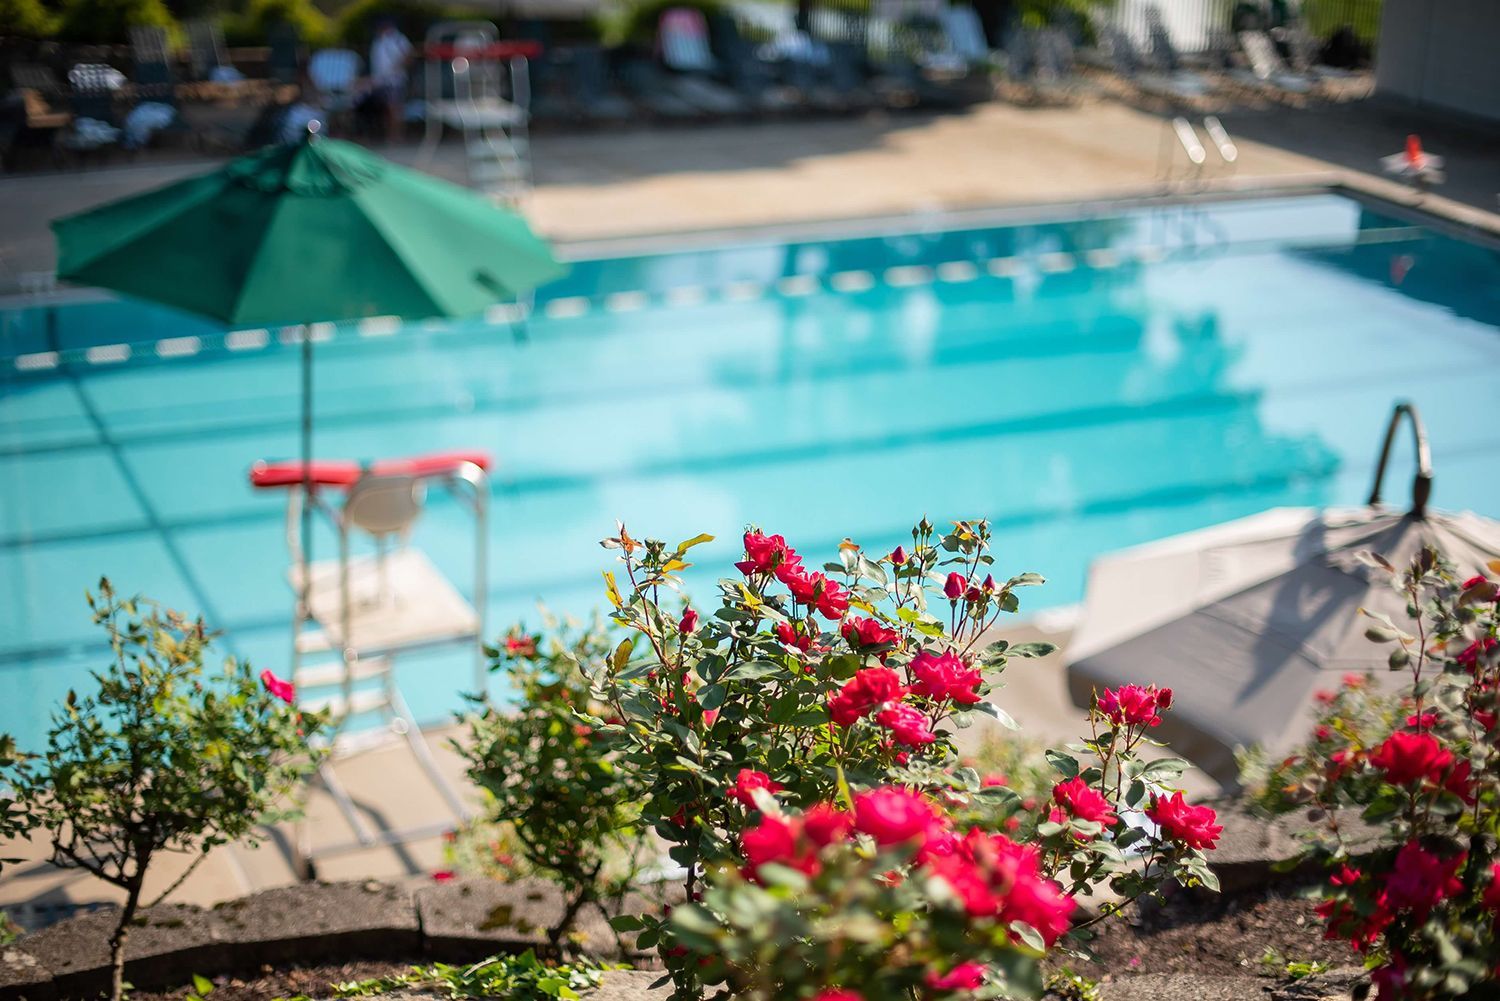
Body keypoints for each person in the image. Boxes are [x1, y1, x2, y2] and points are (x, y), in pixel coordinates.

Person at [369, 17, 413, 143]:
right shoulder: (378, 41)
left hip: (395, 81)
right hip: (380, 81)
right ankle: (389, 135)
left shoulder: (399, 39)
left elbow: (409, 56)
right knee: (386, 110)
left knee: (394, 109)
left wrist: (398, 67)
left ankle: (395, 136)